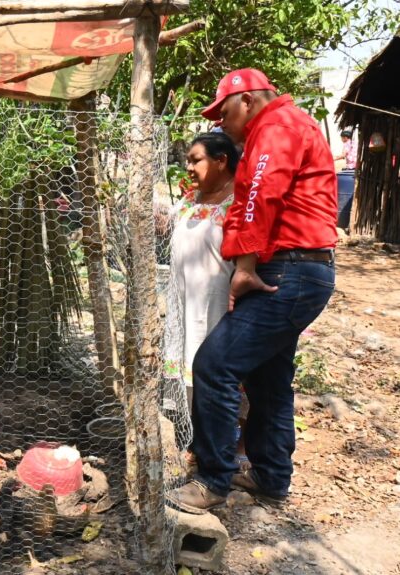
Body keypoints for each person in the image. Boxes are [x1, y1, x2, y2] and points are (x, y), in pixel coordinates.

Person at [167, 68, 337, 514]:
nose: (220, 123)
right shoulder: (282, 126)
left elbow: (261, 197)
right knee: (269, 380)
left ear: (247, 101)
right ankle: (270, 476)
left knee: (214, 364)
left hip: (289, 270)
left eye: (223, 113)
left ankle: (213, 479)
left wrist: (243, 267)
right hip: (299, 269)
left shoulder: (276, 127)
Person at [163, 133, 249, 466]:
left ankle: (237, 448)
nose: (188, 166)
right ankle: (198, 442)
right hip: (183, 302)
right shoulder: (190, 199)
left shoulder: (239, 202)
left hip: (219, 306)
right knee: (188, 368)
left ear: (221, 160)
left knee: (224, 374)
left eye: (195, 159)